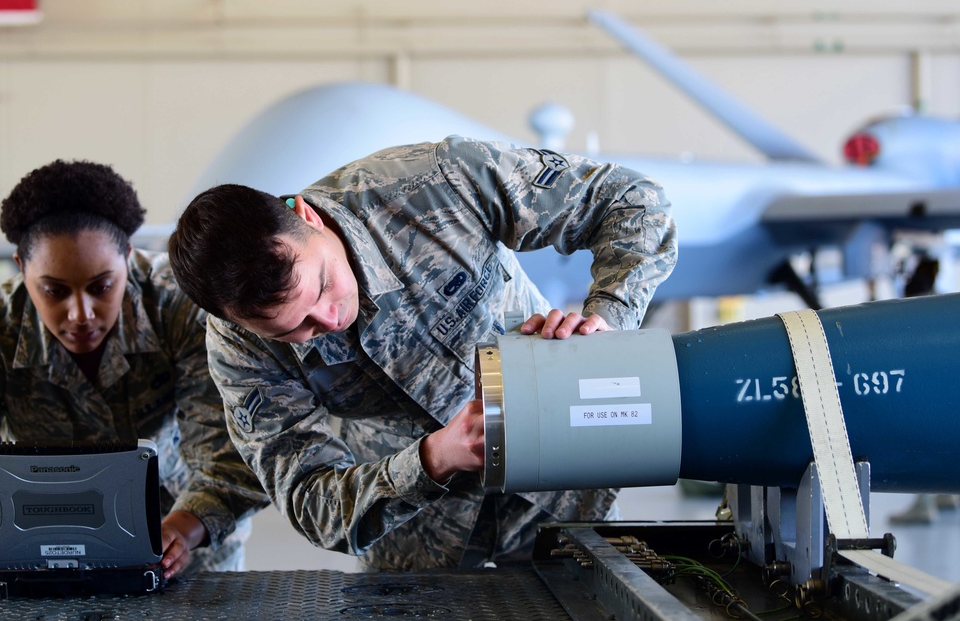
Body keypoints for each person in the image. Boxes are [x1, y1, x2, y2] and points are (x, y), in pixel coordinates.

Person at [168, 135, 677, 571]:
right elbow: (308, 501)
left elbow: (633, 201)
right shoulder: (238, 347)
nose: (328, 319)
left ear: (307, 216)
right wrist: (433, 459)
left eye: (323, 284)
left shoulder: (432, 183)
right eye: (293, 328)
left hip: (558, 479)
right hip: (417, 535)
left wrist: (605, 320)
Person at [0, 160, 270, 579]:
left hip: (183, 538)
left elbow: (236, 446)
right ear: (20, 266)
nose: (81, 314)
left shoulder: (180, 306)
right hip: (41, 542)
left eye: (101, 286)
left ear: (127, 256)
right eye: (54, 291)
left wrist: (186, 527)